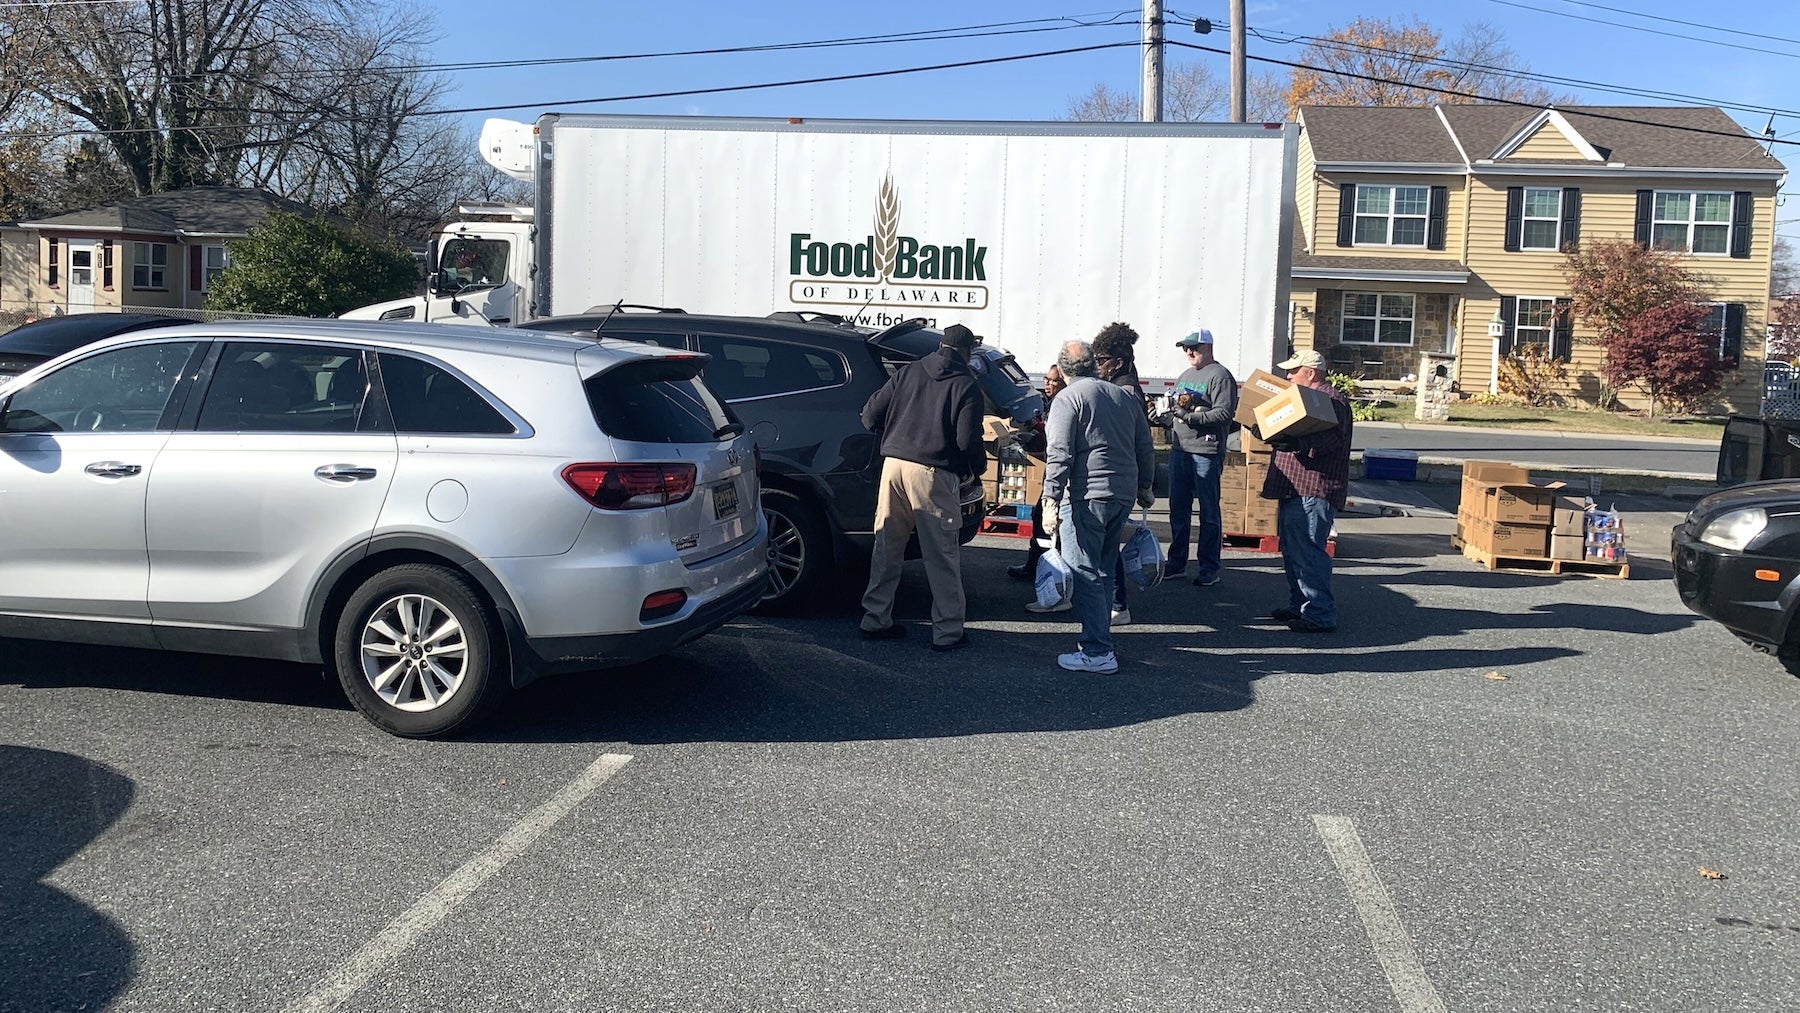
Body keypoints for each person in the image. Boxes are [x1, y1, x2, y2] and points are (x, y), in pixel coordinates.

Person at [857, 323, 987, 652]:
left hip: (893, 467)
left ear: (941, 346)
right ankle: (947, 632)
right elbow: (965, 439)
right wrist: (977, 468)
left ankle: (875, 618)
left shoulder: (909, 371)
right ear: (966, 352)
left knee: (887, 546)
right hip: (932, 473)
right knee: (941, 554)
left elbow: (870, 415)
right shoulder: (965, 384)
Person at [1039, 340, 1156, 674]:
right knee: (1103, 569)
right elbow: (1144, 446)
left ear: (1062, 370)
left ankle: (1097, 651)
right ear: (1093, 365)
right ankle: (1099, 641)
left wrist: (1051, 497)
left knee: (1084, 571)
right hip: (1120, 494)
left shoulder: (1068, 398)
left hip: (1086, 495)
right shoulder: (1123, 396)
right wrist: (1145, 486)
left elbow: (1059, 453)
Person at [1252, 349, 1352, 633]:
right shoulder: (1306, 400)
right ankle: (1300, 605)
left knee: (1308, 551)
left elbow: (1332, 441)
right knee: (1294, 551)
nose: (1288, 376)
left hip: (1313, 488)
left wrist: (1296, 444)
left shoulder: (1330, 400)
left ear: (1311, 372)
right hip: (1294, 486)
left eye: (1293, 372)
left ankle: (1319, 613)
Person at [1161, 329, 1238, 587]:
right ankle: (1177, 563)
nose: (1189, 352)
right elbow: (1177, 410)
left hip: (1205, 451)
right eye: (1185, 347)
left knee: (1208, 511)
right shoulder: (1185, 376)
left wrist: (1188, 417)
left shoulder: (1220, 376)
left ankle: (1209, 567)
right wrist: (1165, 417)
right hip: (1180, 449)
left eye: (1194, 347)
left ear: (1209, 347)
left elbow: (1224, 415)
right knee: (1178, 510)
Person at [1091, 322, 1148, 625]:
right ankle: (1114, 601)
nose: (1097, 365)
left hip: (1117, 476)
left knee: (1107, 545)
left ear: (1119, 362)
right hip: (1120, 476)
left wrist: (1145, 482)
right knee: (1106, 544)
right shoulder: (1124, 387)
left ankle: (1117, 603)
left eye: (1101, 360)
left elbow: (1140, 441)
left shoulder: (1126, 391)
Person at [1007, 363, 1066, 584]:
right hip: (1050, 470)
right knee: (1038, 516)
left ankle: (1046, 570)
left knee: (1046, 520)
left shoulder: (1064, 404)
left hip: (1058, 473)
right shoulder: (1051, 404)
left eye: (1054, 381)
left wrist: (1036, 436)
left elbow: (1055, 441)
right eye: (1047, 379)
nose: (1048, 384)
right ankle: (1035, 565)